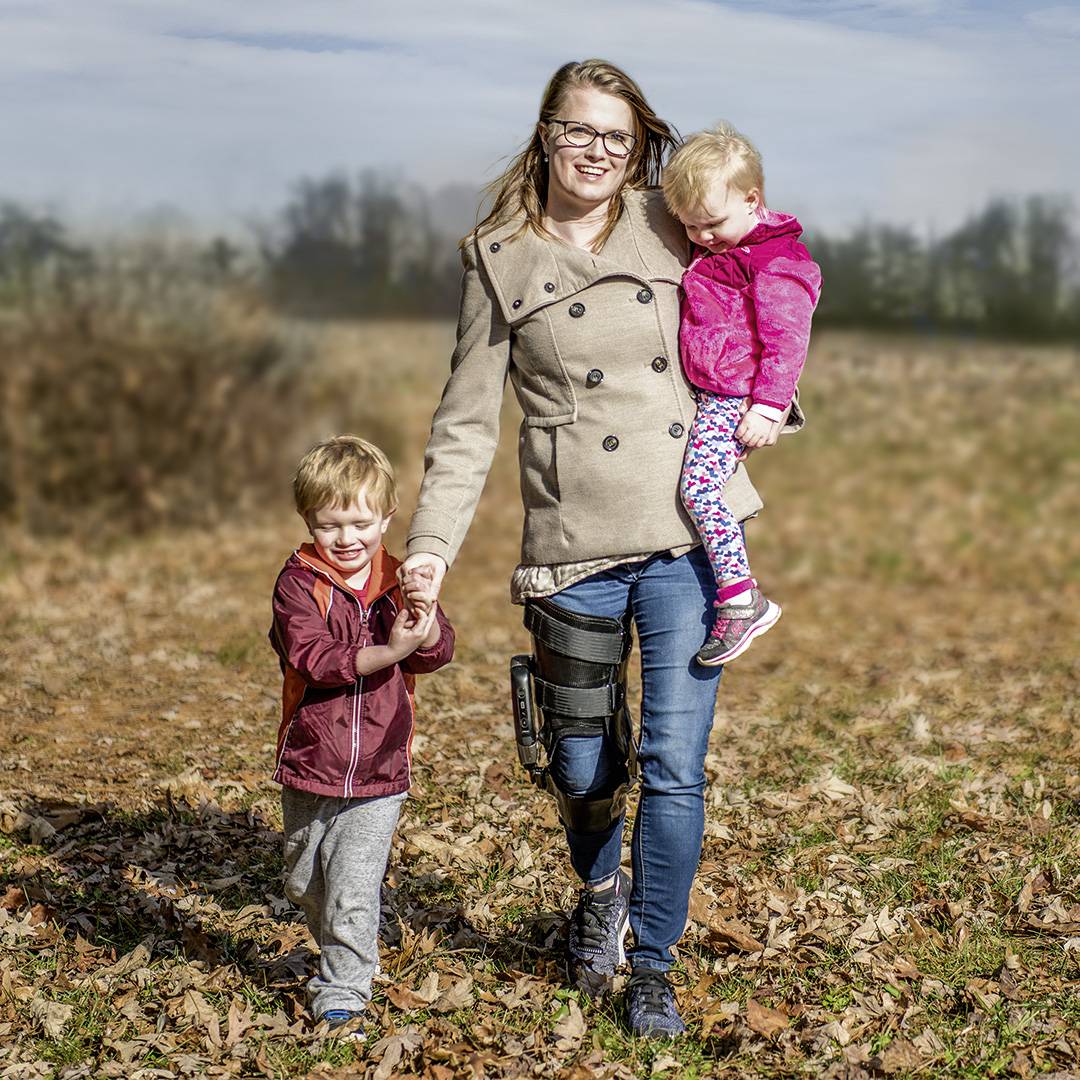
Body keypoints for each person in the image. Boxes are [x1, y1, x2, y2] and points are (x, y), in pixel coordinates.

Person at [400, 60, 801, 1038]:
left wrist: (772, 397)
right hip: (572, 544)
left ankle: (653, 964)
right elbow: (466, 424)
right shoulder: (497, 257)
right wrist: (429, 551)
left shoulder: (672, 220)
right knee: (581, 767)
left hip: (685, 540)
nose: (597, 151)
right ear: (546, 133)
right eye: (579, 130)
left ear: (639, 147)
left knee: (674, 764)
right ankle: (599, 891)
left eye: (617, 136)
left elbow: (779, 277)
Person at [269, 435, 454, 1039]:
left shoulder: (401, 579)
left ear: (387, 518)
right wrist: (388, 651)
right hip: (311, 757)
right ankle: (341, 944)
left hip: (380, 764)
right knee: (304, 880)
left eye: (360, 523)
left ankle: (343, 992)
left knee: (353, 886)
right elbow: (314, 657)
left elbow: (436, 653)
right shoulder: (298, 583)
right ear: (308, 522)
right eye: (330, 526)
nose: (346, 538)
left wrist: (424, 621)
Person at [663, 122, 821, 666]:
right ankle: (736, 594)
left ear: (752, 201)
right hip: (711, 392)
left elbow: (786, 341)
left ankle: (740, 598)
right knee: (697, 487)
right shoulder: (725, 248)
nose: (702, 236)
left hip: (735, 398)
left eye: (712, 224)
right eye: (691, 226)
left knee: (700, 490)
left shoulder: (777, 264)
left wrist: (769, 407)